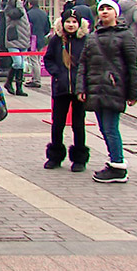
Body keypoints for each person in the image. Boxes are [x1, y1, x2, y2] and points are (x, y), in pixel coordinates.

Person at [75, 0, 137, 184]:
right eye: (102, 8)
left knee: (111, 128)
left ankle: (118, 164)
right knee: (104, 128)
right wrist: (81, 87)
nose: (104, 12)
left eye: (108, 9)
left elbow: (132, 65)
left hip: (114, 87)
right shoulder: (93, 36)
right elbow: (83, 63)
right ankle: (114, 161)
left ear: (116, 13)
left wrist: (133, 93)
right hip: (95, 87)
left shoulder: (125, 35)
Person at [42, 9, 89, 171]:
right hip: (60, 87)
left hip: (79, 89)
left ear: (79, 24)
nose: (71, 25)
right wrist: (57, 73)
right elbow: (48, 59)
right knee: (58, 123)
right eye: (68, 21)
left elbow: (89, 62)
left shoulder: (85, 41)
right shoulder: (56, 40)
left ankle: (79, 159)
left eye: (74, 22)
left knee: (78, 124)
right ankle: (55, 156)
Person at [3, 0, 30, 97]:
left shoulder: (23, 8)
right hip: (13, 39)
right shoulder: (10, 9)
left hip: (23, 39)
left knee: (22, 64)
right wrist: (19, 3)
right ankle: (8, 82)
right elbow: (18, 14)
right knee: (17, 62)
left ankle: (19, 87)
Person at [25, 0, 50, 88]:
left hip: (33, 39)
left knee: (34, 60)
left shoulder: (29, 14)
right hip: (41, 38)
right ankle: (35, 78)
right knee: (38, 59)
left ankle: (36, 80)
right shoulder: (44, 13)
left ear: (30, 4)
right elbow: (47, 27)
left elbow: (27, 27)